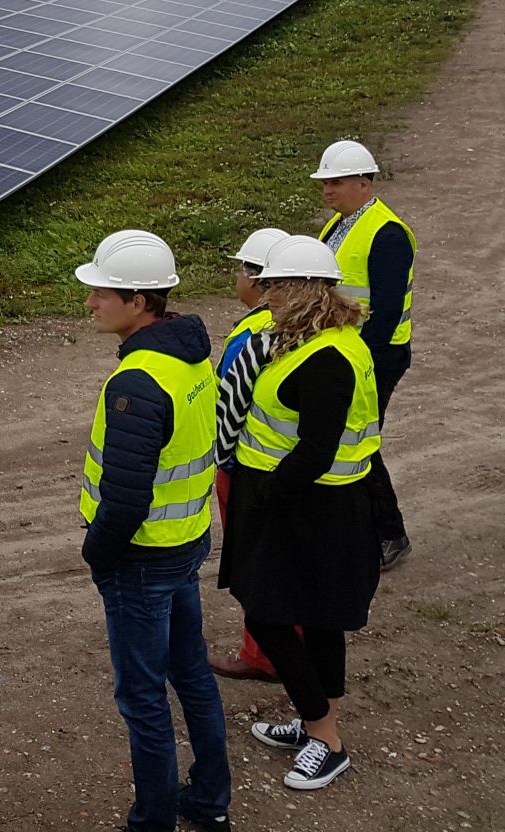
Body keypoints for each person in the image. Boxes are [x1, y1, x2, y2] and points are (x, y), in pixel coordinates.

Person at [75, 230, 229, 832]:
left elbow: (126, 498)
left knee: (143, 699)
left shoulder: (137, 382)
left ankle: (154, 822)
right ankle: (210, 801)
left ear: (140, 302)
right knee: (191, 675)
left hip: (140, 560)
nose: (89, 304)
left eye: (101, 293)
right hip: (185, 543)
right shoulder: (190, 358)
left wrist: (97, 555)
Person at [220, 235, 382, 794]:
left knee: (268, 615)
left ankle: (326, 740)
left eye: (274, 287)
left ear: (303, 290)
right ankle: (319, 720)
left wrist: (265, 495)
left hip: (309, 508)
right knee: (317, 620)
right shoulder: (325, 339)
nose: (265, 296)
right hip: (317, 507)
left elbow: (314, 450)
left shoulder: (328, 359)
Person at [312, 138, 415, 570]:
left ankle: (389, 534)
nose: (327, 190)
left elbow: (387, 311)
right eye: (325, 182)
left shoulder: (387, 233)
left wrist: (361, 365)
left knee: (359, 442)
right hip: (346, 352)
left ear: (364, 183)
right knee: (349, 438)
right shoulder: (340, 225)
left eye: (336, 182)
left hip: (376, 357)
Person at [207, 228, 286, 682]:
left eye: (241, 268)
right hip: (278, 466)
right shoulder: (302, 326)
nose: (236, 277)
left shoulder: (252, 333)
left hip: (245, 468)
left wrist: (221, 459)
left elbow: (229, 407)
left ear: (258, 281)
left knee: (252, 563)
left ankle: (262, 655)